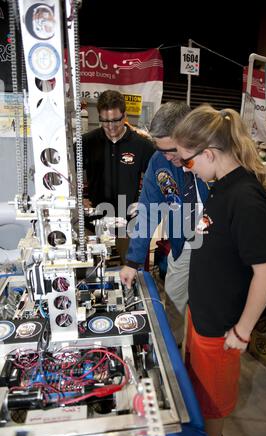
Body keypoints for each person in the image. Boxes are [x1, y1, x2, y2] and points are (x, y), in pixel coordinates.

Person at [172, 104, 266, 436]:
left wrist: (243, 330)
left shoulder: (246, 198)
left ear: (210, 153)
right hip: (202, 318)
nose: (188, 170)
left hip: (221, 332)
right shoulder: (220, 185)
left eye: (189, 161)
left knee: (212, 413)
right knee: (199, 403)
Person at [120, 101, 210, 345]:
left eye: (172, 150)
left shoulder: (214, 157)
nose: (169, 158)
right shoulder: (160, 162)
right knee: (173, 300)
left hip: (219, 248)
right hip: (184, 244)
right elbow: (148, 211)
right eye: (162, 151)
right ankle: (175, 352)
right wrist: (133, 261)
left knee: (211, 311)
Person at [82, 90, 154, 263]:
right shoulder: (86, 143)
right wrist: (78, 197)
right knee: (91, 272)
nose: (111, 126)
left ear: (125, 116)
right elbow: (68, 175)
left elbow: (155, 181)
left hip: (128, 222)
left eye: (116, 120)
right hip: (94, 222)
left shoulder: (142, 146)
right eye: (105, 121)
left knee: (132, 270)